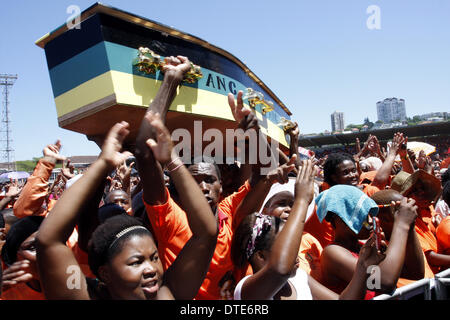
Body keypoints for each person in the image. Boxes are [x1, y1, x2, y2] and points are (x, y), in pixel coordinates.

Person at [134, 55, 286, 300]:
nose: (203, 187)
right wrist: (171, 80)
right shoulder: (170, 217)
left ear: (221, 184)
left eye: (209, 180)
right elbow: (144, 152)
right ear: (177, 187)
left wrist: (254, 133)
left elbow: (264, 174)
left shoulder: (229, 212)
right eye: (193, 181)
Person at [35, 120, 218, 300]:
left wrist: (173, 160)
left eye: (154, 258)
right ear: (105, 273)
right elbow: (48, 241)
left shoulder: (165, 294)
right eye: (136, 262)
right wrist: (102, 164)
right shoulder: (83, 295)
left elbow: (206, 233)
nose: (151, 269)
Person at [232, 160, 385, 300]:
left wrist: (364, 267)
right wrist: (302, 200)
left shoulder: (298, 276)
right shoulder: (247, 290)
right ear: (260, 256)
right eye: (286, 247)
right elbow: (387, 281)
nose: (296, 256)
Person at [317, 184, 419, 297]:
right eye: (362, 215)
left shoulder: (366, 247)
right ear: (339, 218)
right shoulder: (332, 253)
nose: (370, 221)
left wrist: (410, 225)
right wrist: (402, 224)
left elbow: (414, 274)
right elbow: (385, 281)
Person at [370, 189, 434, 287]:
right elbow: (380, 282)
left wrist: (410, 225)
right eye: (400, 209)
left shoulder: (407, 235)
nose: (408, 211)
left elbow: (417, 273)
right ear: (385, 217)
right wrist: (404, 223)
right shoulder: (375, 246)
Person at [390, 169, 449, 273]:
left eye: (422, 188)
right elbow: (431, 257)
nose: (422, 192)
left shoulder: (426, 212)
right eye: (414, 191)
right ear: (404, 199)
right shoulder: (409, 224)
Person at [1, 216, 45, 300]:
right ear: (15, 258)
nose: (47, 253)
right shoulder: (7, 296)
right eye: (33, 247)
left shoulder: (74, 278)